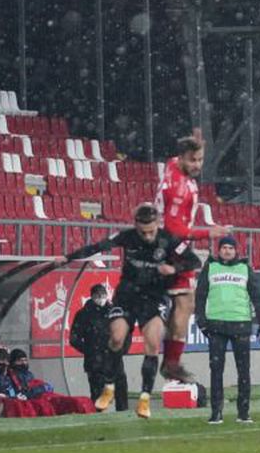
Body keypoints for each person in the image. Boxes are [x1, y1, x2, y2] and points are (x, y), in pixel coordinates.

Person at [49, 203, 202, 419]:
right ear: (136, 226)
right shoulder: (127, 237)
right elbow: (97, 246)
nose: (147, 236)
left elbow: (194, 260)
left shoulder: (168, 240)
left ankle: (144, 399)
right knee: (117, 338)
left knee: (151, 343)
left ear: (157, 224)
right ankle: (109, 386)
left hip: (154, 297)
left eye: (150, 231)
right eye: (143, 232)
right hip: (127, 295)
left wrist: (174, 268)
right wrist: (67, 257)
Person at [154, 132, 230, 383]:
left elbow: (174, 160)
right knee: (183, 304)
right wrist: (209, 232)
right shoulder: (178, 188)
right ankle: (170, 362)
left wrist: (196, 141)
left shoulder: (174, 166)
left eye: (200, 159)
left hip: (171, 245)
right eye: (193, 160)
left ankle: (170, 361)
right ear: (183, 158)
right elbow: (174, 230)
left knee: (185, 304)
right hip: (169, 246)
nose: (198, 165)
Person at [195, 236, 260, 424]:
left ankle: (243, 412)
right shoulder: (210, 267)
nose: (227, 251)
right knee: (216, 371)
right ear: (218, 250)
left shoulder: (245, 268)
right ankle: (216, 412)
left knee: (243, 371)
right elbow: (200, 296)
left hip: (241, 325)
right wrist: (201, 321)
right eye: (224, 248)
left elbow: (257, 297)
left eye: (230, 248)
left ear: (236, 251)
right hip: (216, 325)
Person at [70, 283, 128, 411]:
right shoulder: (84, 314)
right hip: (95, 361)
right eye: (98, 295)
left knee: (120, 388)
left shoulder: (114, 311)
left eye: (103, 295)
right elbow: (74, 338)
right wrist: (90, 350)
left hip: (114, 358)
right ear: (92, 297)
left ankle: (123, 413)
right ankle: (99, 415)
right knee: (97, 392)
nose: (101, 298)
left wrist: (121, 349)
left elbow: (125, 331)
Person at [0, 348, 38, 417]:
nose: (5, 363)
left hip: (14, 397)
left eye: (6, 360)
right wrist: (12, 397)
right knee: (18, 404)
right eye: (2, 360)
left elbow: (18, 387)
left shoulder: (10, 373)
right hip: (5, 399)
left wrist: (20, 395)